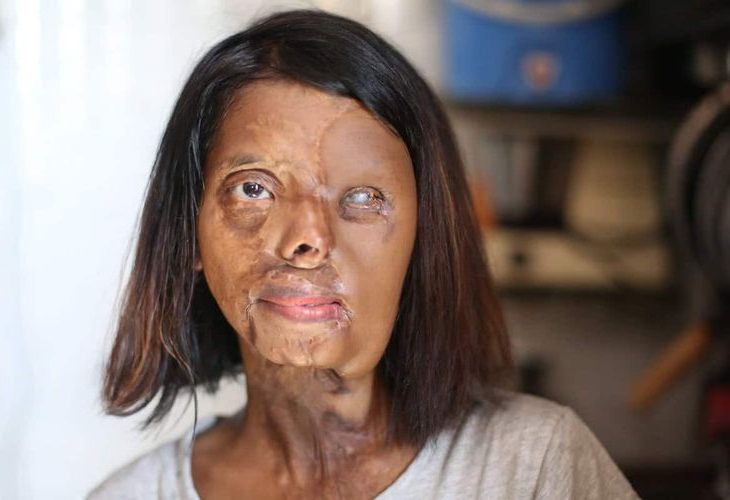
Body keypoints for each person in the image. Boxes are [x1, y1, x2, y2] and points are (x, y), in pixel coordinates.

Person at [88, 9, 638, 500]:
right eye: (253, 188)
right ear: (189, 233)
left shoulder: (536, 466)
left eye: (363, 199)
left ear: (423, 239)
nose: (307, 239)